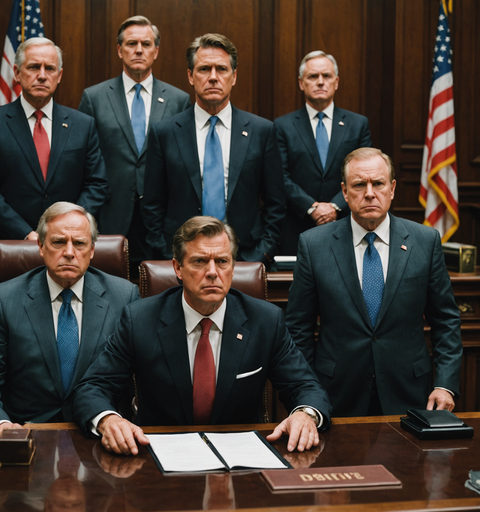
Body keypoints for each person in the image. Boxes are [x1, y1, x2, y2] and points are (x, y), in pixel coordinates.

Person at [73, 216, 331, 455]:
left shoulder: (266, 320)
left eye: (222, 261)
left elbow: (305, 386)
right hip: (157, 455)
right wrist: (108, 419)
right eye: (199, 261)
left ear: (232, 267)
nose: (212, 272)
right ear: (178, 267)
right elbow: (93, 387)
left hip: (241, 457)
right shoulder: (139, 320)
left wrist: (305, 414)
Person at [285, 148, 462, 416]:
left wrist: (445, 385)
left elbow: (446, 320)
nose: (369, 192)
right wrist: (307, 394)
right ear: (344, 192)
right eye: (359, 185)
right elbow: (299, 329)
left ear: (391, 189)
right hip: (335, 395)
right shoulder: (314, 244)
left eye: (378, 183)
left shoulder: (425, 241)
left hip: (411, 394)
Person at [0, 202, 139, 441]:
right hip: (26, 434)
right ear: (40, 245)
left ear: (91, 250)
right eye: (58, 242)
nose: (69, 252)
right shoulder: (6, 299)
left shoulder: (124, 297)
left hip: (100, 434)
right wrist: (0, 425)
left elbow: (137, 378)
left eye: (79, 243)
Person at [142, 34, 285, 266]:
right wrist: (172, 257)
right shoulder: (165, 133)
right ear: (190, 76)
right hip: (184, 262)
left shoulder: (262, 131)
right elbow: (152, 205)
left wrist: (260, 255)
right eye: (204, 69)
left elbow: (276, 204)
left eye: (222, 69)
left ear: (234, 76)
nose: (213, 77)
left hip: (244, 260)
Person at [0, 38, 108, 249]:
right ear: (16, 73)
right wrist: (25, 233)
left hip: (67, 245)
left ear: (59, 75)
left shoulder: (83, 125)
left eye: (50, 68)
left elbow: (97, 184)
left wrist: (66, 229)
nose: (42, 75)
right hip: (7, 243)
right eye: (34, 67)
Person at [78, 16, 191, 272]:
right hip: (110, 215)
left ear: (156, 51)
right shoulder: (94, 98)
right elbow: (83, 161)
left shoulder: (179, 100)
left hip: (161, 221)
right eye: (131, 43)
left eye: (146, 44)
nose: (138, 50)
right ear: (119, 50)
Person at [274, 51, 371, 255]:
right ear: (301, 83)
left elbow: (365, 173)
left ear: (336, 82)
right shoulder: (282, 126)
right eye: (313, 76)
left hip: (347, 225)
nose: (320, 82)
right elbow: (279, 177)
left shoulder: (358, 124)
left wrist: (335, 206)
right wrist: (312, 207)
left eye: (326, 76)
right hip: (297, 228)